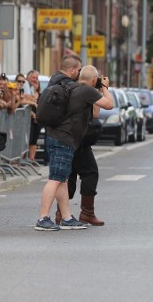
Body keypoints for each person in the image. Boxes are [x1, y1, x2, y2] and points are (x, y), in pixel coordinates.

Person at [35, 65, 113, 231]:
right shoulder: (86, 90)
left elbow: (95, 113)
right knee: (56, 178)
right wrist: (105, 88)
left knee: (63, 179)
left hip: (60, 137)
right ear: (94, 79)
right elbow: (109, 105)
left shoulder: (72, 87)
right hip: (64, 139)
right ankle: (43, 218)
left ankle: (66, 218)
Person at [21, 71, 42, 162]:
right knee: (26, 140)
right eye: (33, 78)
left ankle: (31, 159)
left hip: (36, 119)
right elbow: (24, 101)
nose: (35, 80)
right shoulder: (25, 85)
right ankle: (22, 159)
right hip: (26, 118)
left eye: (36, 79)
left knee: (33, 140)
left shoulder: (34, 90)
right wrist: (33, 102)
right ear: (28, 77)